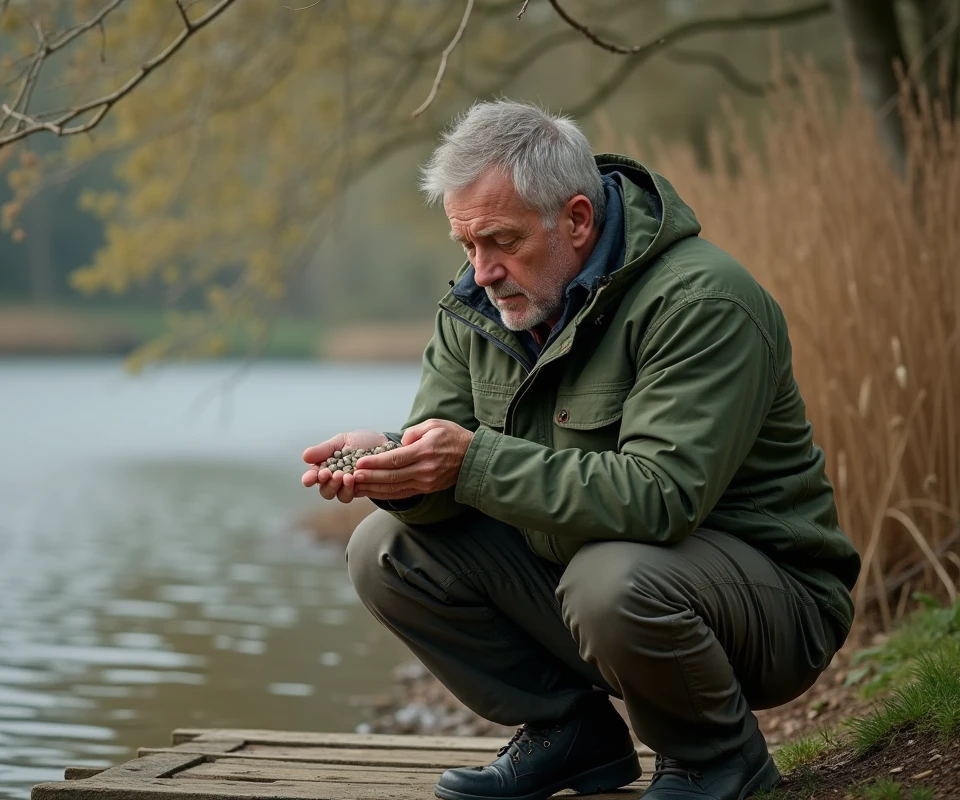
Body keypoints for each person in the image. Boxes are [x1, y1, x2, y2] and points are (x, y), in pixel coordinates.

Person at [301, 100, 861, 800]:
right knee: (383, 547)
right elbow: (448, 465)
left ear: (575, 219)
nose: (482, 271)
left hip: (772, 606)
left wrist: (468, 461)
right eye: (467, 246)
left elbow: (660, 499)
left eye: (501, 242)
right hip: (592, 574)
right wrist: (396, 469)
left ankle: (718, 758)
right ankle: (570, 736)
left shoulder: (703, 300)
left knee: (611, 580)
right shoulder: (477, 306)